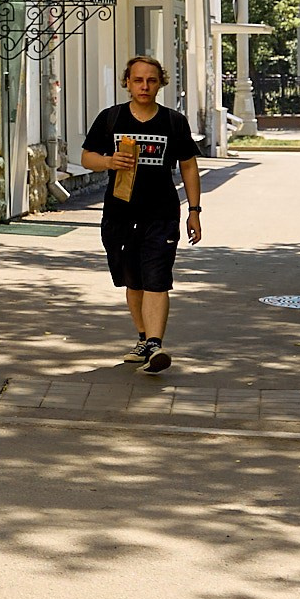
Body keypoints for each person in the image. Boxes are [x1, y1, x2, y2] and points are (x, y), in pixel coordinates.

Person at [79, 56, 204, 374]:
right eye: (138, 80)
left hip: (161, 214)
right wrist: (109, 162)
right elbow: (86, 157)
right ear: (127, 83)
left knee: (157, 280)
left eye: (151, 80)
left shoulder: (174, 122)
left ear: (161, 82)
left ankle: (155, 344)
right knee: (132, 282)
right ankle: (144, 339)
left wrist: (194, 211)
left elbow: (188, 166)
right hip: (119, 215)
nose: (144, 86)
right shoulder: (112, 118)